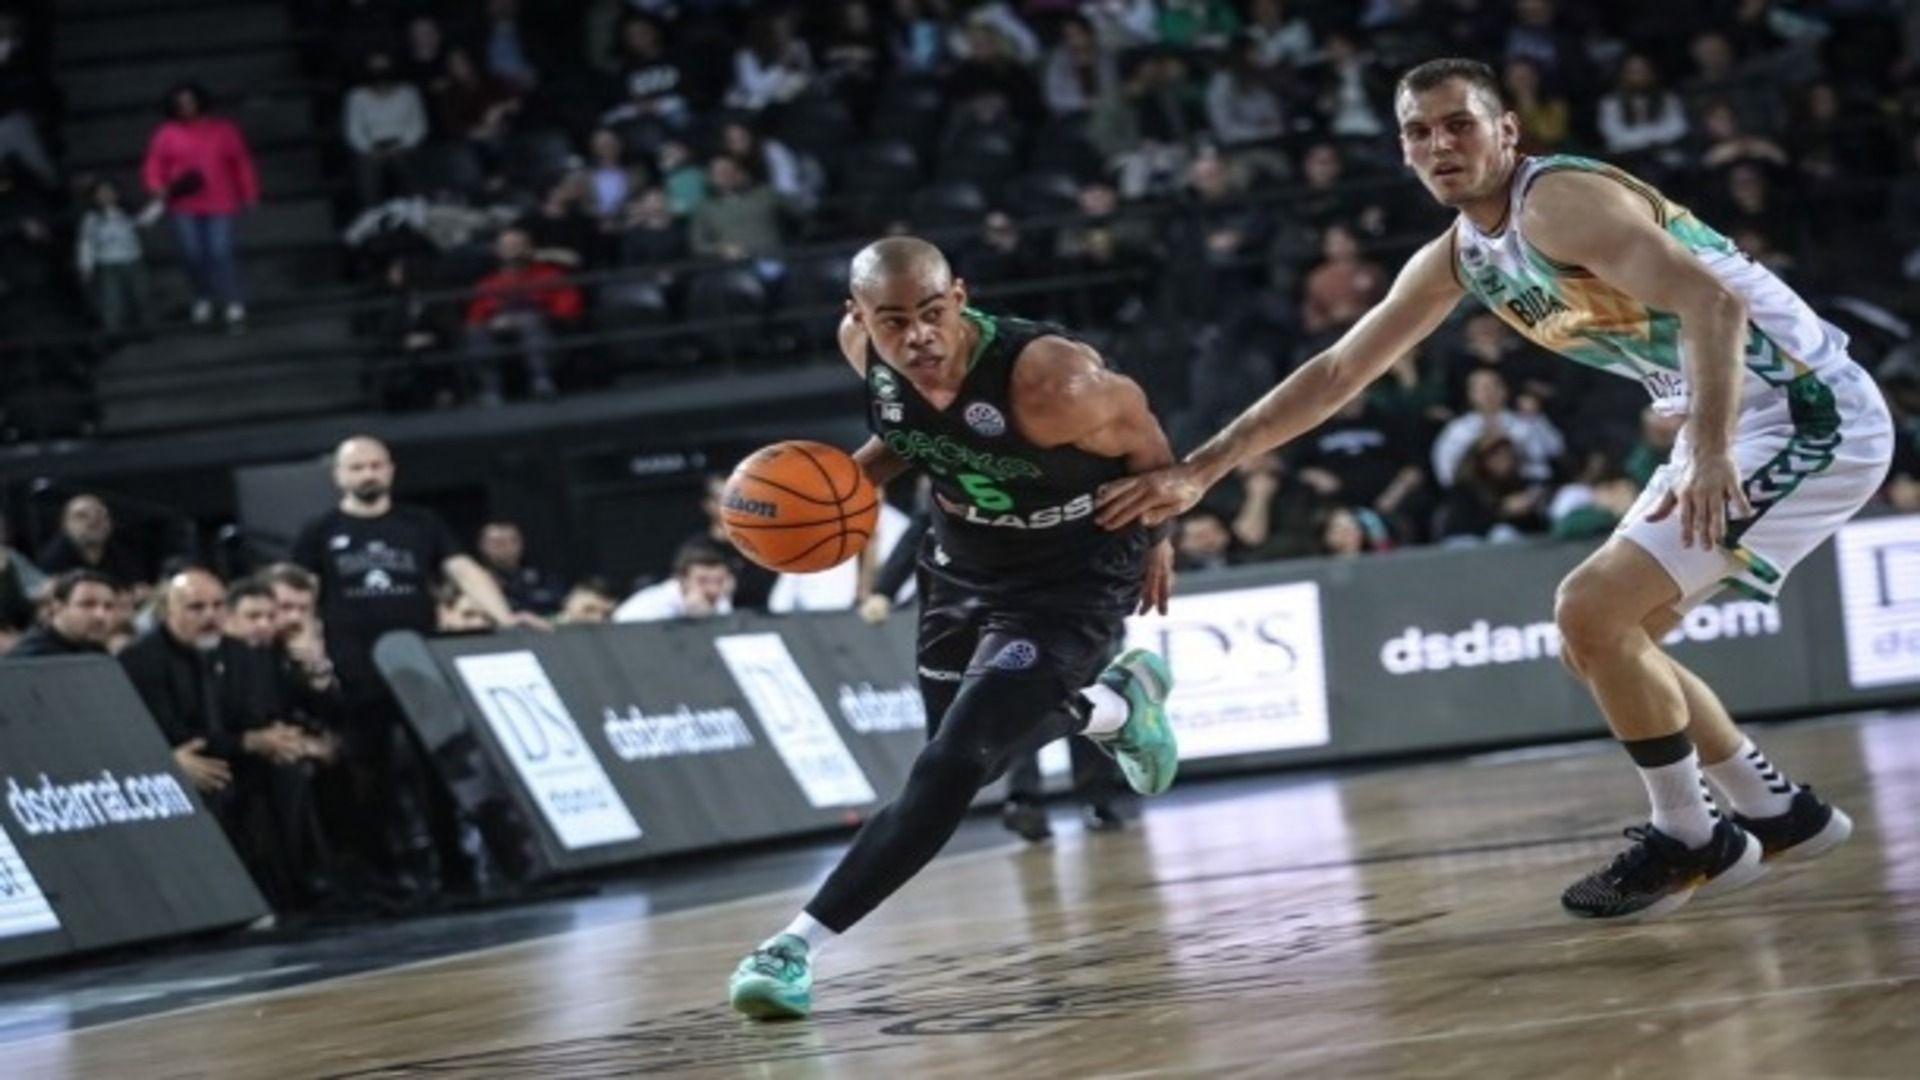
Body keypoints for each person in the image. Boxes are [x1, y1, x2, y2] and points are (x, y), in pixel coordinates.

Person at [1098, 58, 1894, 922]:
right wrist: (1203, 468)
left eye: (1459, 124)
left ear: (1507, 130)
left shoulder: (1559, 201)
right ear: (1403, 151)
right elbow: (1336, 372)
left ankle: (1692, 836)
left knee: (1591, 613)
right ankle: (1777, 812)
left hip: (1805, 411)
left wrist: (1705, 450)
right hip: (1729, 418)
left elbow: (1714, 305)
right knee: (1601, 642)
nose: (1440, 144)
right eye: (1419, 131)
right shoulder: (1462, 255)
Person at [726, 236, 1180, 1020]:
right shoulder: (863, 352)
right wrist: (832, 494)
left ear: (960, 298)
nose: (918, 337)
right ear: (859, 317)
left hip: (1069, 577)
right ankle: (1112, 709)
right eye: (893, 321)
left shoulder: (1052, 381)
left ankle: (790, 949)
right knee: (970, 760)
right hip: (961, 563)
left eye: (932, 314)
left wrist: (1160, 539)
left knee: (950, 766)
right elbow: (915, 440)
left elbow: (1150, 447)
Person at [291, 436, 545, 893]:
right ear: (339, 476)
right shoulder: (320, 530)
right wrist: (306, 643)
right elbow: (302, 594)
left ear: (390, 469)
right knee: (371, 777)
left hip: (420, 665)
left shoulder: (420, 522)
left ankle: (455, 871)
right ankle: (383, 878)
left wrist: (504, 617)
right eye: (357, 467)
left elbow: (463, 570)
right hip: (356, 670)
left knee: (441, 770)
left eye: (375, 465)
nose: (368, 474)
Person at [141, 82, 259, 331]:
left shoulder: (224, 129)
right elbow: (154, 163)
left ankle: (232, 300)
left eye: (190, 102)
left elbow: (241, 162)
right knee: (191, 253)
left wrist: (249, 193)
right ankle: (203, 295)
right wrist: (156, 186)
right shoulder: (166, 133)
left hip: (220, 200)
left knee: (220, 252)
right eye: (180, 104)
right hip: (183, 202)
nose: (186, 107)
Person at [612, 538, 735, 622]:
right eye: (702, 581)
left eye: (719, 581)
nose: (712, 589)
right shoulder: (652, 607)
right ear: (682, 579)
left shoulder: (721, 598)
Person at [4, 569, 114, 658]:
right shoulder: (33, 657)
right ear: (57, 607)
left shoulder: (96, 650)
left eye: (108, 606)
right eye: (87, 604)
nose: (101, 615)